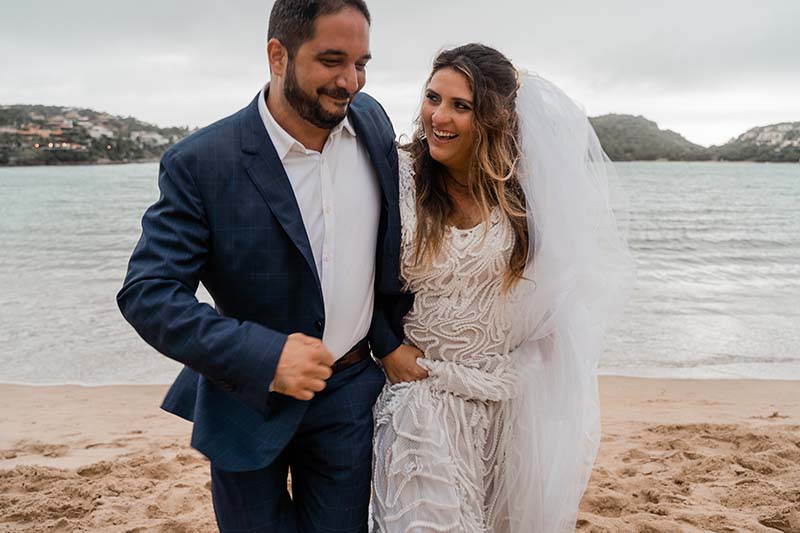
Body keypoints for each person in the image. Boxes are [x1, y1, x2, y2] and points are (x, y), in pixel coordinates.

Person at [117, 1, 411, 531]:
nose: (351, 81)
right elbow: (148, 292)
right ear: (278, 55)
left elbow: (389, 250)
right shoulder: (201, 162)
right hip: (243, 400)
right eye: (332, 60)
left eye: (362, 63)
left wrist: (387, 339)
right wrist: (266, 355)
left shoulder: (373, 123)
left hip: (348, 395)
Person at [370, 44, 635, 532]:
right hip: (422, 390)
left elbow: (566, 283)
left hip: (506, 397)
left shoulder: (523, 189)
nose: (438, 117)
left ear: (496, 116)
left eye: (460, 106)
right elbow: (355, 272)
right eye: (433, 98)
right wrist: (384, 345)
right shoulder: (400, 176)